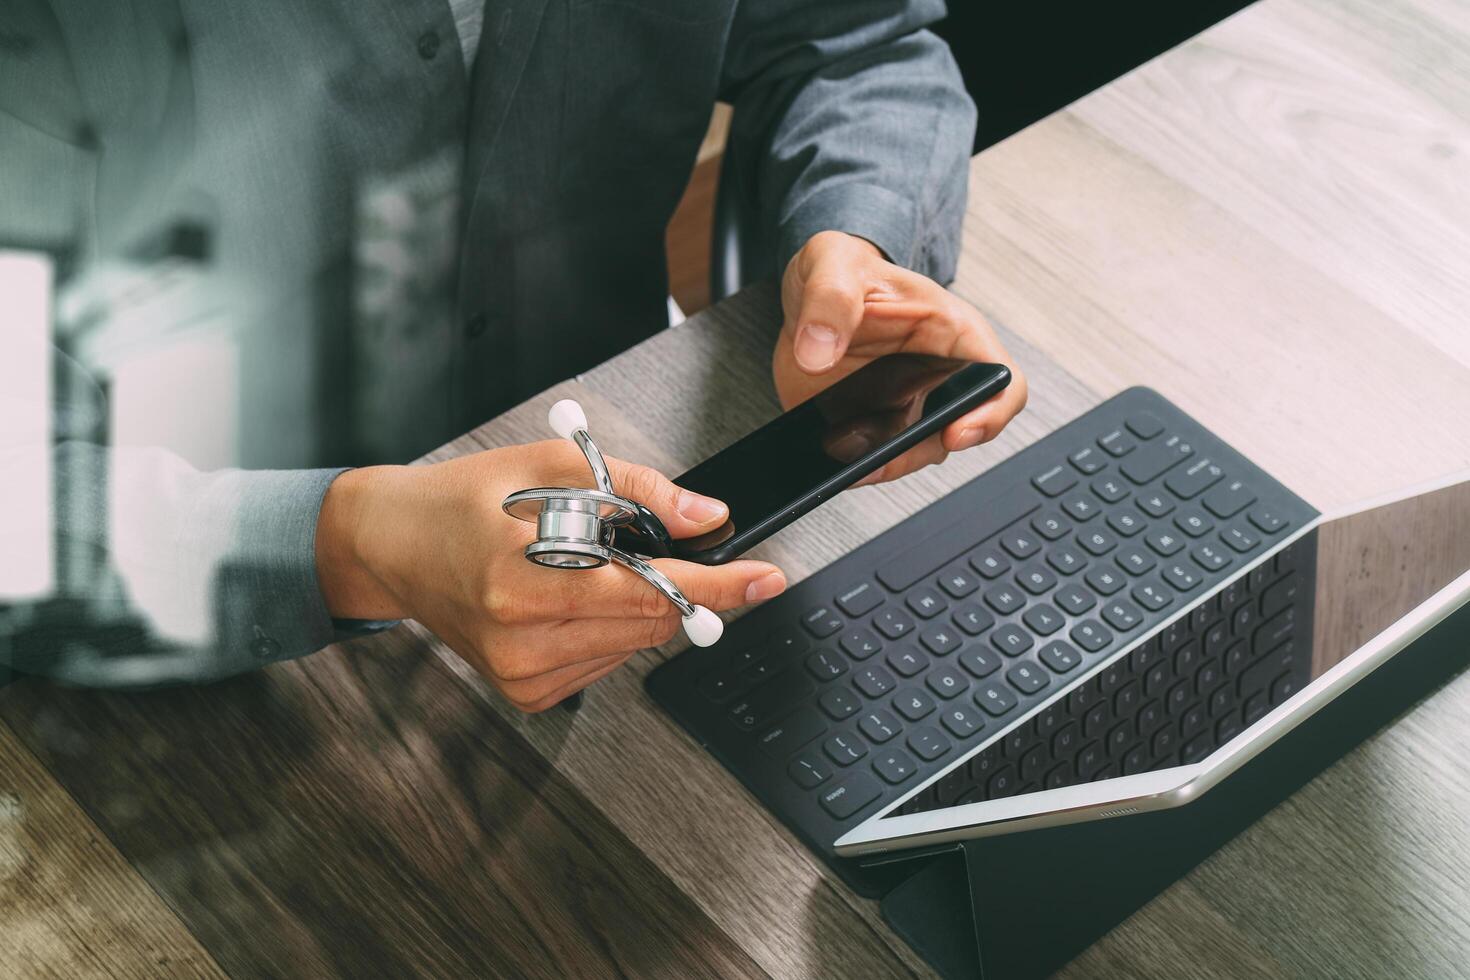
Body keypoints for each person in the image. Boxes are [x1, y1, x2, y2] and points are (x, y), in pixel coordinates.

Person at [0, 0, 1026, 707]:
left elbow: (857, 43)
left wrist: (856, 240)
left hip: (636, 512)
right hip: (193, 689)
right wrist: (348, 543)